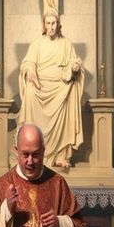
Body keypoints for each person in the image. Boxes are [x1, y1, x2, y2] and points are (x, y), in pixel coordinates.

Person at [17, 10, 83, 168]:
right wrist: (31, 69)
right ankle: (34, 151)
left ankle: (60, 155)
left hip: (60, 87)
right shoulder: (37, 43)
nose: (51, 27)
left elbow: (75, 61)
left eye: (54, 23)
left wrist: (74, 66)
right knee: (30, 93)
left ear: (58, 24)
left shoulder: (66, 43)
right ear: (44, 25)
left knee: (67, 96)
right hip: (40, 86)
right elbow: (27, 63)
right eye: (48, 23)